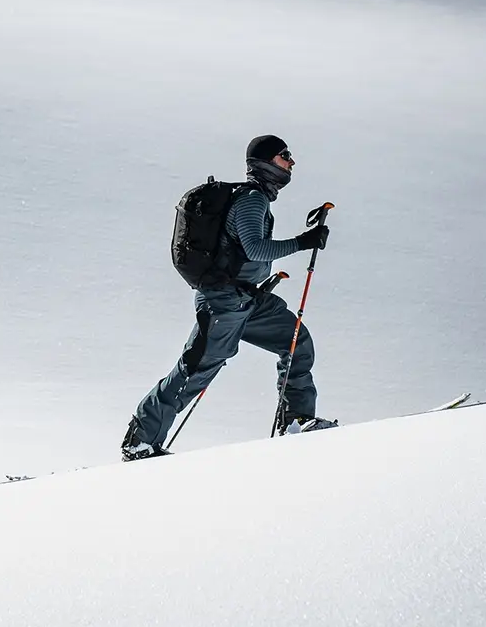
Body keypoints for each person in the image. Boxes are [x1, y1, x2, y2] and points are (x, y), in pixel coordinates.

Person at [121, 134, 336, 461]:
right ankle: (141, 442)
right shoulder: (252, 200)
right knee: (195, 371)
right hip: (225, 302)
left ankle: (296, 421)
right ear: (265, 162)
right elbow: (255, 248)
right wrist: (302, 242)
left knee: (296, 341)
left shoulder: (256, 198)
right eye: (284, 155)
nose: (291, 162)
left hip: (248, 300)